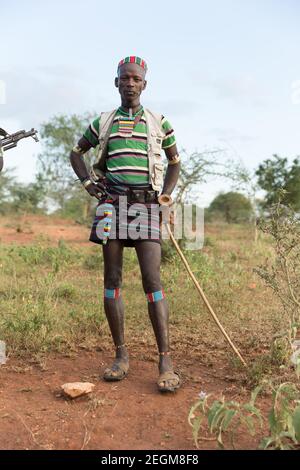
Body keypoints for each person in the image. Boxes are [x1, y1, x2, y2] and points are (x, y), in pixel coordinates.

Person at [70, 56, 181, 392]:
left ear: (144, 84)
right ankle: (121, 357)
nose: (130, 83)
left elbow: (175, 163)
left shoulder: (159, 122)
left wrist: (165, 196)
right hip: (110, 205)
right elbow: (77, 153)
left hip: (146, 204)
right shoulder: (103, 122)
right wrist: (88, 183)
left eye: (136, 79)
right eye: (124, 78)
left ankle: (165, 361)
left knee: (152, 280)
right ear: (116, 82)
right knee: (112, 279)